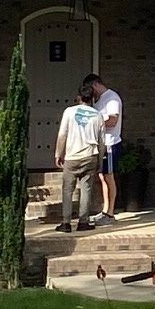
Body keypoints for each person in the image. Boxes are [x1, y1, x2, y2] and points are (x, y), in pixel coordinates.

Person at [55, 85, 105, 233]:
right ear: (93, 98)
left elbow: (62, 134)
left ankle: (66, 223)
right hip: (90, 156)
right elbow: (102, 142)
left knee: (67, 190)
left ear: (79, 97)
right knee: (86, 189)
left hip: (72, 156)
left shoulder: (69, 112)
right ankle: (83, 222)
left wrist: (58, 153)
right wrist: (100, 160)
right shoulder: (98, 115)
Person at [84, 73, 123, 223]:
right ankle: (105, 210)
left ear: (95, 85)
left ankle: (111, 212)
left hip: (110, 144)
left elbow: (113, 120)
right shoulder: (100, 100)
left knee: (109, 177)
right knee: (103, 177)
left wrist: (95, 124)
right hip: (102, 144)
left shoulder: (111, 98)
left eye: (90, 89)